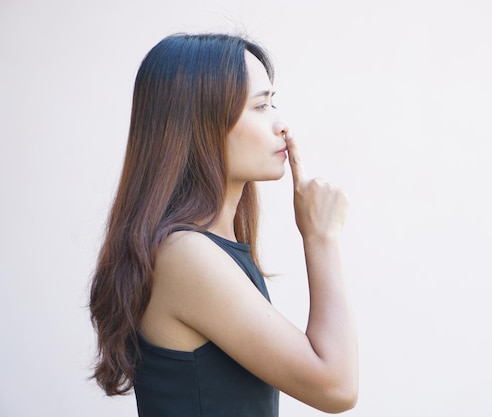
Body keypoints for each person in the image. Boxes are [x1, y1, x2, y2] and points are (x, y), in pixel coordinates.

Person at [89, 33, 358, 417]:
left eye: (273, 102)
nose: (282, 125)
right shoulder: (185, 256)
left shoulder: (202, 248)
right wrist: (322, 236)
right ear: (201, 121)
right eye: (260, 106)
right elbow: (337, 387)